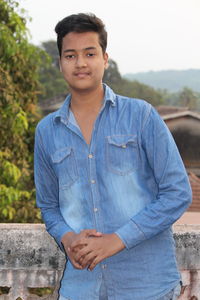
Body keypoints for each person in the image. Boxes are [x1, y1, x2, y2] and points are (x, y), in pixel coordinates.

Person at [34, 13, 192, 300]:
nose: (80, 63)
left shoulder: (141, 116)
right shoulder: (47, 132)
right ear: (60, 63)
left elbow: (177, 192)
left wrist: (117, 240)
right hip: (81, 288)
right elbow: (48, 206)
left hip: (147, 287)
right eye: (70, 55)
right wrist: (67, 238)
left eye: (89, 53)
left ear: (104, 59)